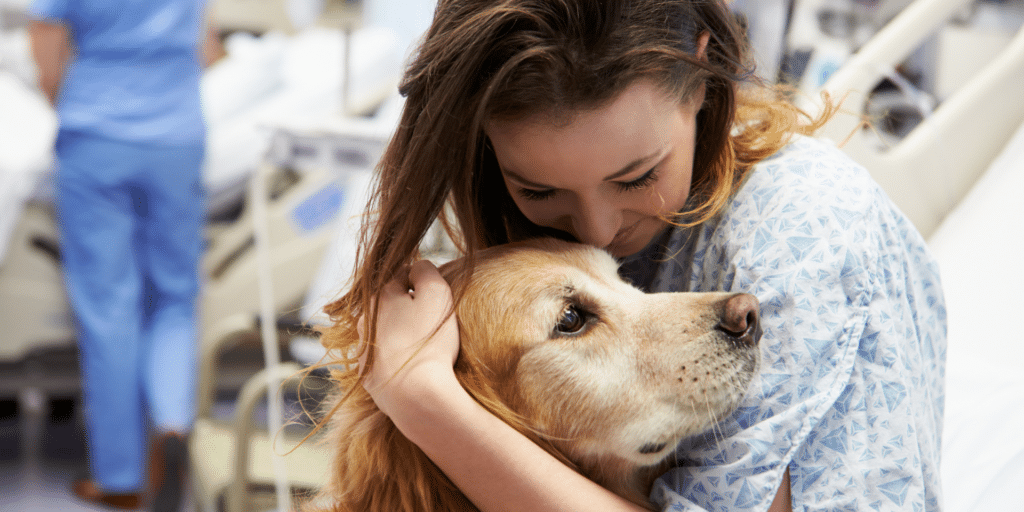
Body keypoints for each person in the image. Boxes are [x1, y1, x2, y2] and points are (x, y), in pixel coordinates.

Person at [321, 1, 946, 511]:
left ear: (702, 78)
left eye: (637, 175)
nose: (595, 229)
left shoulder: (804, 228)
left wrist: (425, 402)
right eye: (539, 189)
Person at [27, 1, 213, 510]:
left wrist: (66, 101)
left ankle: (121, 477)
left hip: (97, 131)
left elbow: (45, 47)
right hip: (178, 132)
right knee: (175, 298)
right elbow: (206, 44)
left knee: (110, 307)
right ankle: (174, 429)